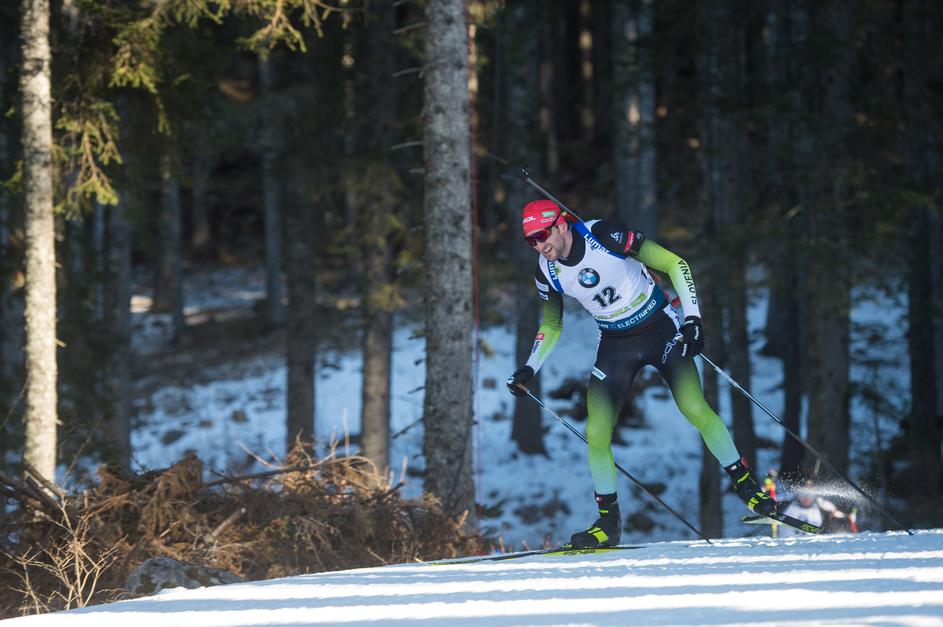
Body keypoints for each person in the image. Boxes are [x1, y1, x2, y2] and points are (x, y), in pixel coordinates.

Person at [506, 199, 776, 548]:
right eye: (530, 240)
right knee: (597, 432)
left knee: (694, 408)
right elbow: (551, 324)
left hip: (659, 329)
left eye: (542, 236)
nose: (539, 246)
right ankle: (608, 525)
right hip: (615, 343)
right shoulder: (547, 270)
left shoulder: (603, 234)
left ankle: (747, 488)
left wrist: (693, 319)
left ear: (560, 224)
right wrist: (530, 367)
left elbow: (674, 263)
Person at [778, 481, 852, 538]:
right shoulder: (788, 501)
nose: (806, 499)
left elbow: (834, 510)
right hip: (787, 543)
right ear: (797, 494)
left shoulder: (819, 503)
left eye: (810, 495)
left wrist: (847, 516)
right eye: (803, 495)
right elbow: (773, 498)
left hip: (811, 544)